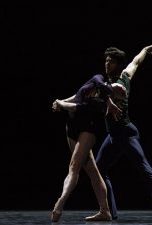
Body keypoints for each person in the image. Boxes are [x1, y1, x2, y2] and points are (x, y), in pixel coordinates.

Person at [95, 44, 152, 221]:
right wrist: (145, 49)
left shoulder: (122, 79)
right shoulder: (103, 83)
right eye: (106, 60)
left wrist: (144, 51)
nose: (107, 63)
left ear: (119, 65)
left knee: (145, 168)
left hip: (126, 133)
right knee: (98, 170)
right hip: (113, 136)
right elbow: (136, 60)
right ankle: (110, 212)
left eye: (112, 61)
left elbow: (135, 62)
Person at [51, 74, 126, 222]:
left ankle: (60, 202)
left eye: (123, 94)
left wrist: (61, 103)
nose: (123, 89)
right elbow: (78, 95)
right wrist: (61, 100)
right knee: (92, 171)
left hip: (87, 129)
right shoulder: (98, 79)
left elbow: (75, 106)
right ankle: (105, 211)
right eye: (121, 88)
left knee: (74, 166)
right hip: (71, 128)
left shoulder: (100, 104)